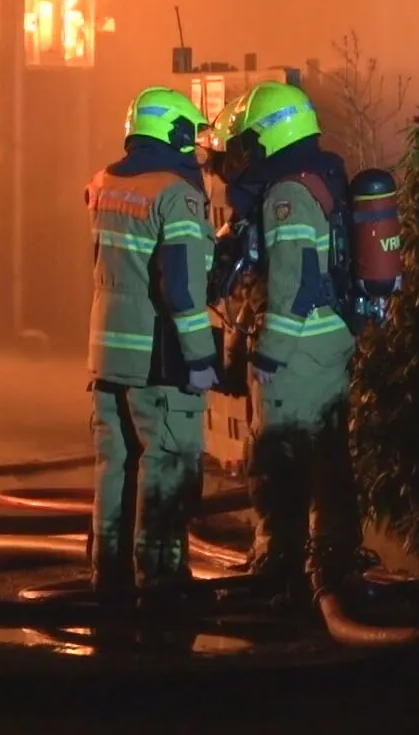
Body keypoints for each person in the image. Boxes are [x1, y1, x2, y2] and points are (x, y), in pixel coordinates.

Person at [206, 81, 361, 605]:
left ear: (268, 139)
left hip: (296, 351)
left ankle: (279, 572)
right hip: (329, 341)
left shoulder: (287, 195)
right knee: (327, 455)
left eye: (245, 145)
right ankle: (334, 565)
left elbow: (292, 282)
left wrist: (267, 351)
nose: (238, 159)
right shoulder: (321, 176)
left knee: (279, 458)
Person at [83, 86, 218, 601]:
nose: (196, 150)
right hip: (158, 358)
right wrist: (202, 357)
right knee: (168, 462)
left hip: (106, 352)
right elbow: (182, 289)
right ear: (174, 133)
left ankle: (109, 571)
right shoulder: (175, 193)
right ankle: (161, 579)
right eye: (192, 138)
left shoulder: (105, 183)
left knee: (114, 464)